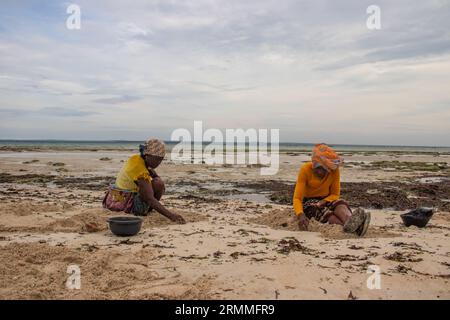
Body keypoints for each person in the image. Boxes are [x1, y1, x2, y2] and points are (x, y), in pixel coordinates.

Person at [293, 143, 370, 236]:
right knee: (323, 212)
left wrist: (324, 201)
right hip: (309, 201)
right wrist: (300, 214)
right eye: (318, 168)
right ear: (313, 164)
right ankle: (349, 228)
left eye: (325, 169)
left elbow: (335, 194)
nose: (320, 172)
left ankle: (350, 220)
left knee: (340, 203)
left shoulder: (334, 170)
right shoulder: (305, 169)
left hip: (327, 198)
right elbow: (297, 198)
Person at [103, 138, 185, 224]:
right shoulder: (140, 170)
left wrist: (153, 172)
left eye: (161, 159)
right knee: (158, 184)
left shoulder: (136, 159)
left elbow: (153, 174)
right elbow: (149, 198)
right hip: (127, 205)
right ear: (147, 155)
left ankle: (147, 208)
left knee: (156, 181)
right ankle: (145, 210)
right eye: (156, 159)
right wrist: (171, 216)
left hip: (115, 200)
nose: (158, 162)